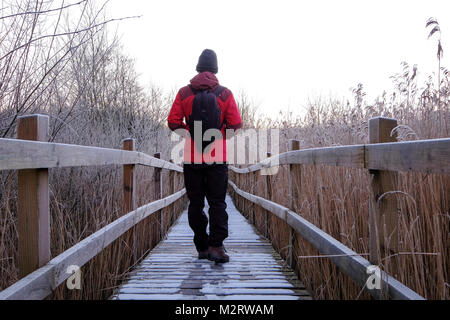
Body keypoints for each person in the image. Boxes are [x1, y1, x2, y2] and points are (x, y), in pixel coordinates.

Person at [167, 49, 242, 263]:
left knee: (196, 204)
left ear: (198, 67)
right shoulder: (225, 94)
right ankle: (216, 247)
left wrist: (190, 134)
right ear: (215, 69)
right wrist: (218, 136)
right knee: (218, 202)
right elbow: (236, 124)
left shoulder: (184, 93)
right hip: (217, 159)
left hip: (192, 159)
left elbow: (173, 122)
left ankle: (201, 247)